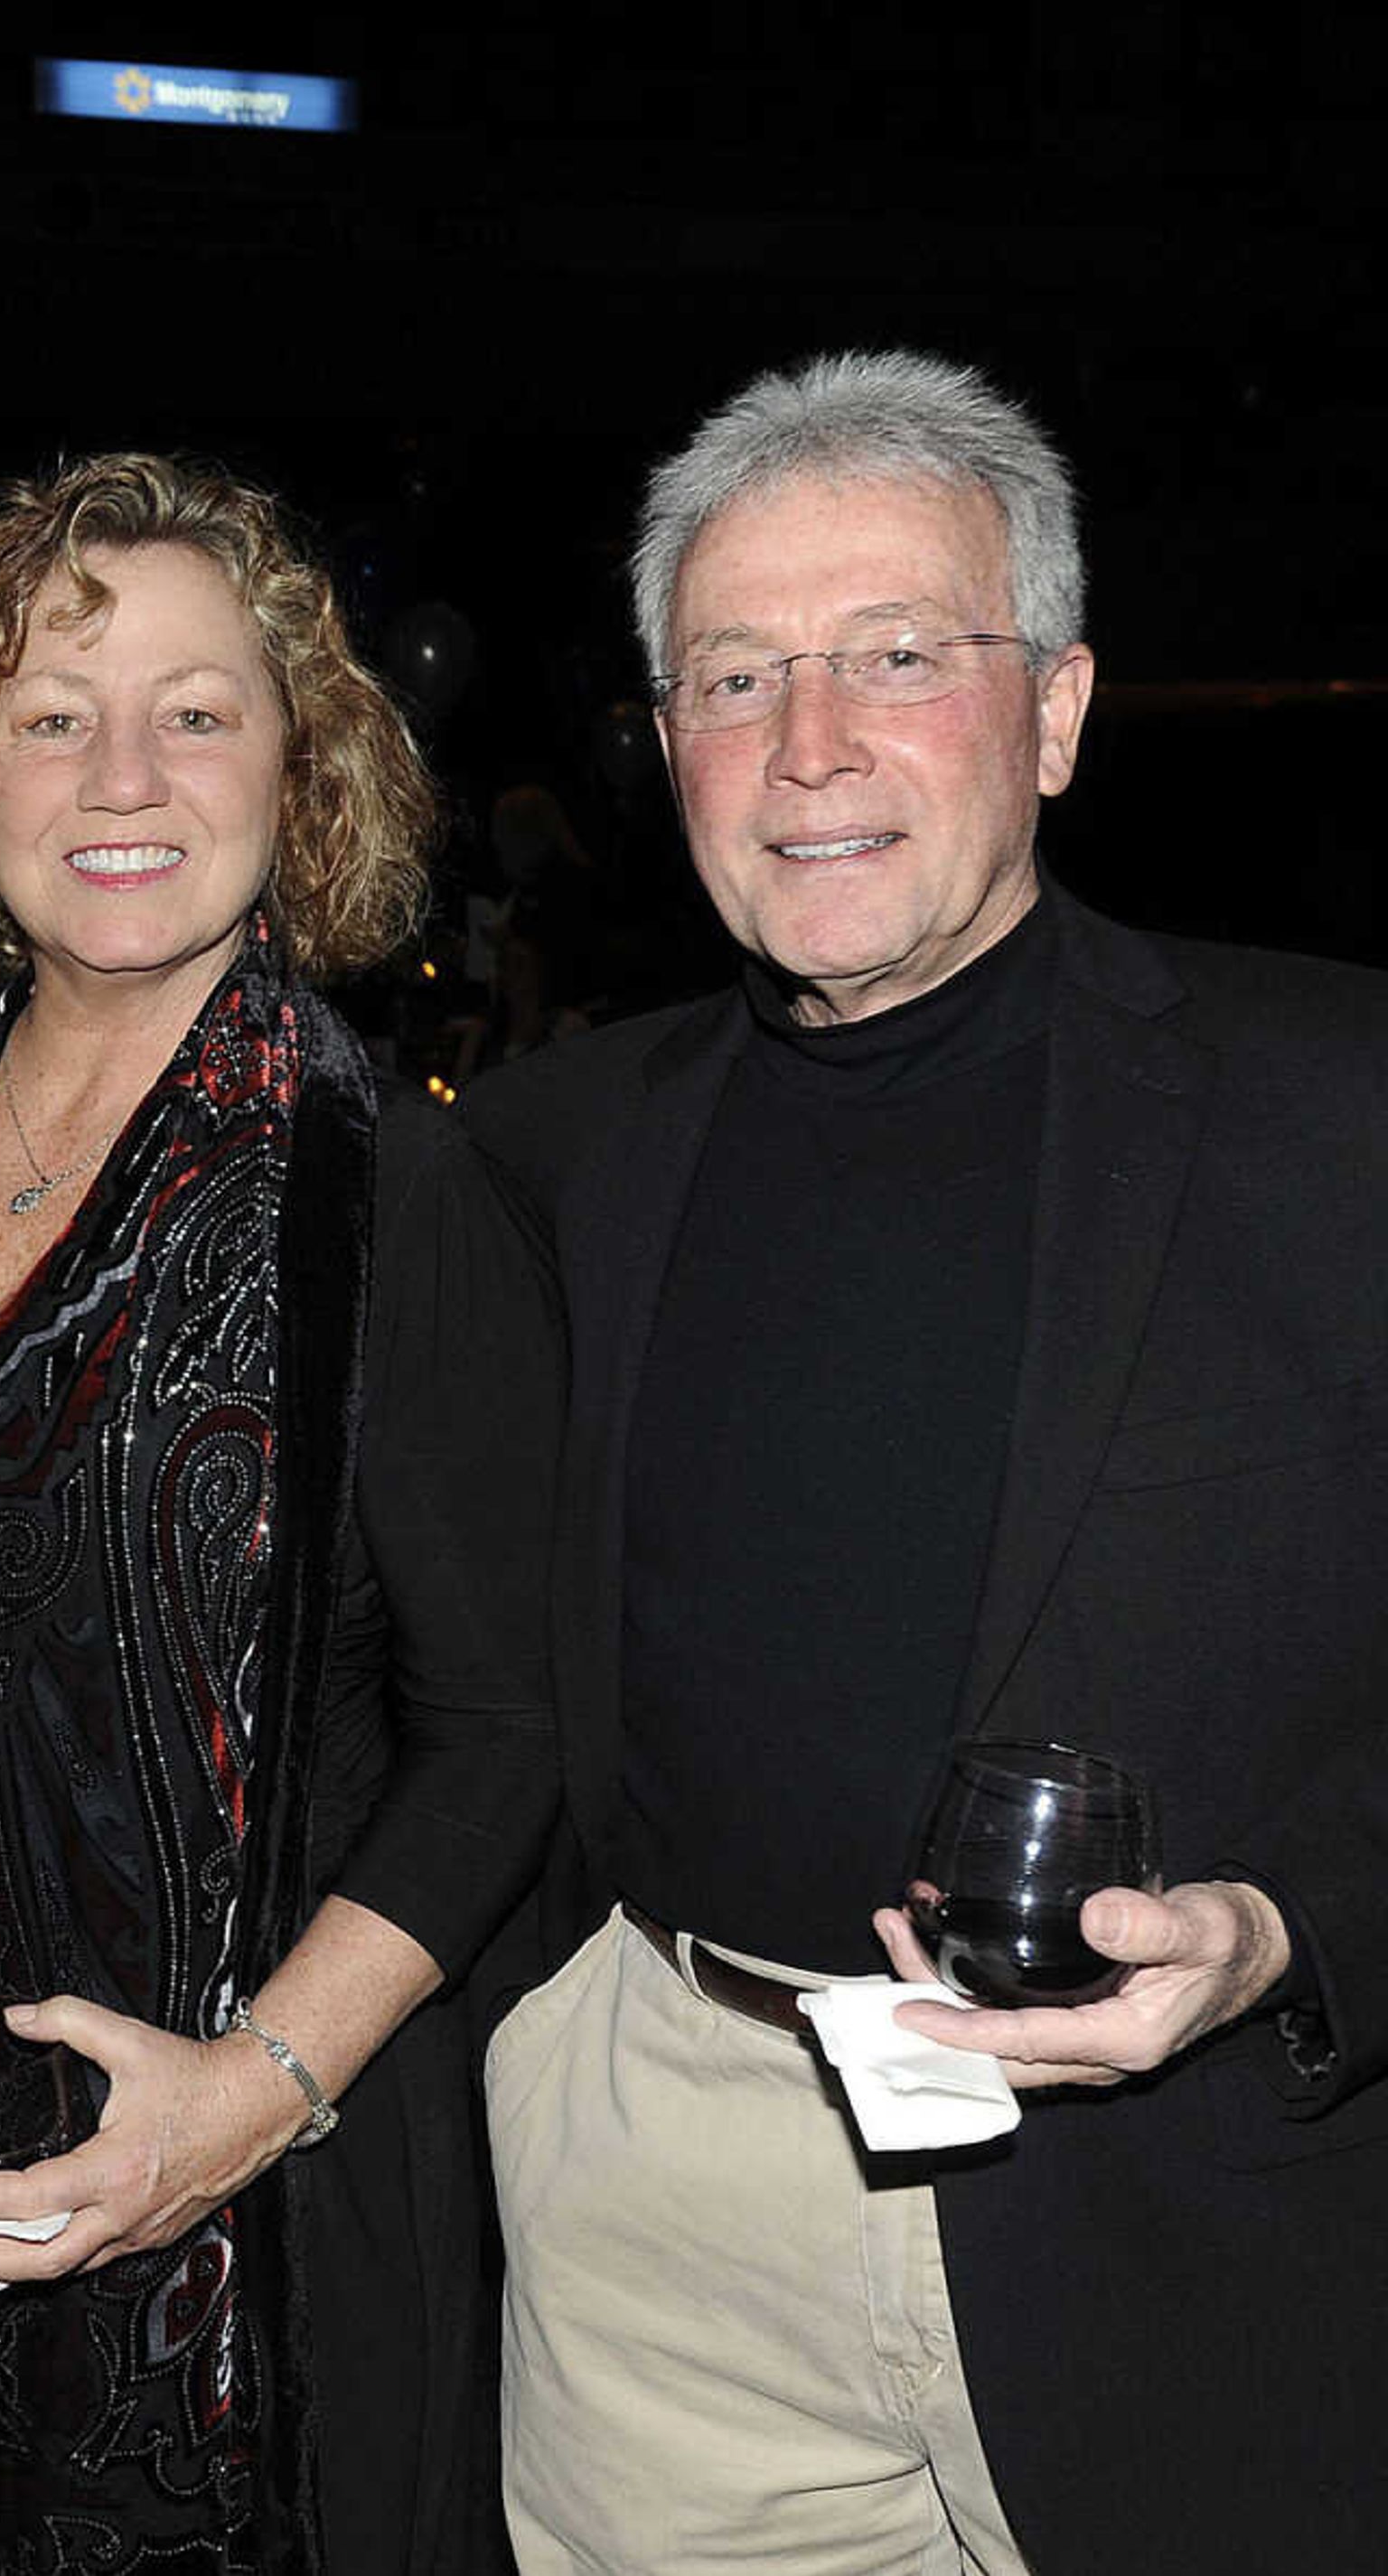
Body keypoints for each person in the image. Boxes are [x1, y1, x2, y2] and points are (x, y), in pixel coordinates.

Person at [469, 349, 1388, 2572]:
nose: (810, 750)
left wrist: (1290, 1933)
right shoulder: (552, 1155)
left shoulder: (1343, 1111)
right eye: (736, 673)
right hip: (667, 2217)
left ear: (1057, 713)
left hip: (1187, 2231)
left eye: (898, 656)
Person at [0, 454, 559, 2571]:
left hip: (211, 2160)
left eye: (198, 709)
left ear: (303, 766)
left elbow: (508, 1732)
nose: (126, 769)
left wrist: (251, 2094)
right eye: (52, 710)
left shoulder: (385, 1191)